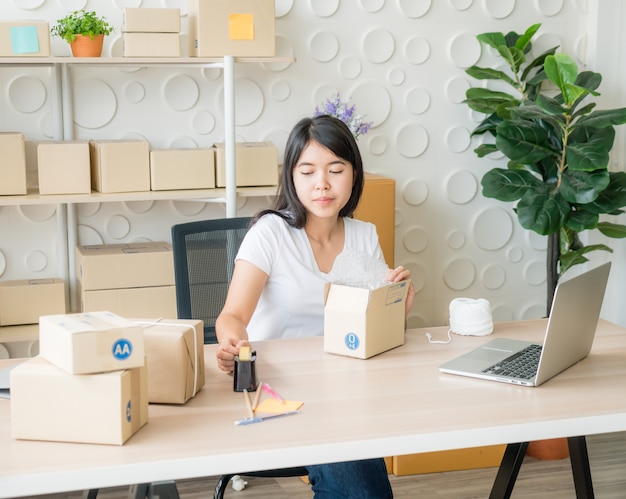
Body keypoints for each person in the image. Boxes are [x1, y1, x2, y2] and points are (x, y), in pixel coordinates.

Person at [215, 114, 415, 498]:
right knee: (355, 470)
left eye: (335, 170)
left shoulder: (364, 236)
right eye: (307, 171)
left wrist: (395, 306)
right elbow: (233, 316)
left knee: (355, 457)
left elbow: (369, 331)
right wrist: (234, 347)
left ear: (353, 175)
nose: (321, 183)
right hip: (274, 393)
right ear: (292, 178)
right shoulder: (270, 233)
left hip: (344, 393)